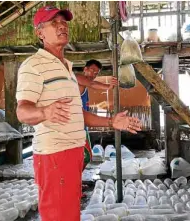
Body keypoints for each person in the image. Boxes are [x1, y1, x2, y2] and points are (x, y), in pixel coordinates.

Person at [16, 6, 141, 221]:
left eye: (63, 22)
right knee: (58, 215)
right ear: (40, 33)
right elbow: (22, 111)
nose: (62, 26)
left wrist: (111, 121)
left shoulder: (67, 68)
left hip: (73, 151)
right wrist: (44, 111)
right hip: (55, 155)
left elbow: (78, 114)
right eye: (53, 23)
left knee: (71, 213)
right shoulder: (33, 66)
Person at [75, 60, 118, 171]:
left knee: (86, 156)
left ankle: (77, 180)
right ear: (85, 69)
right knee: (84, 156)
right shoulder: (77, 78)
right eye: (92, 70)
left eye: (96, 73)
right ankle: (74, 181)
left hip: (82, 126)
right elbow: (92, 83)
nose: (93, 74)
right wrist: (108, 86)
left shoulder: (84, 86)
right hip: (75, 128)